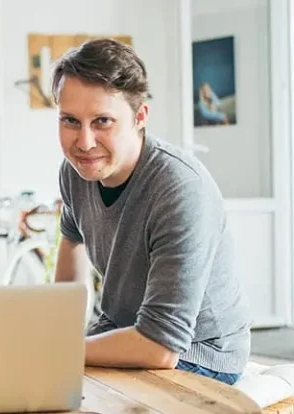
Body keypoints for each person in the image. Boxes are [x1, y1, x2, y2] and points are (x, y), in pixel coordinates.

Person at [51, 39, 251, 385]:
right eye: (70, 121)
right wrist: (49, 337)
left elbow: (161, 347)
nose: (84, 142)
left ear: (140, 116)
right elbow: (72, 249)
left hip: (199, 352)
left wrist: (61, 352)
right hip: (122, 329)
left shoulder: (179, 188)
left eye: (102, 121)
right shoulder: (75, 171)